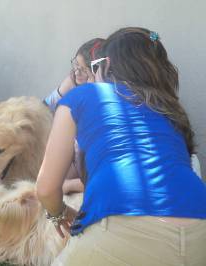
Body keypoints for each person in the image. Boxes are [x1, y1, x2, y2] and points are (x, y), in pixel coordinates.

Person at [37, 27, 206, 265]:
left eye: (95, 65)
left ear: (107, 64)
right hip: (200, 232)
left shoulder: (82, 95)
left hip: (124, 231)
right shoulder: (170, 109)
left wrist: (59, 215)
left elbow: (45, 188)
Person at [43, 38, 105, 194]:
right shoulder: (73, 84)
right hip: (77, 162)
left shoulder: (103, 108)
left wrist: (69, 185)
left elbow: (107, 180)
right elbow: (41, 110)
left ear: (98, 74)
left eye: (83, 70)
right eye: (75, 65)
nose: (77, 72)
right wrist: (62, 90)